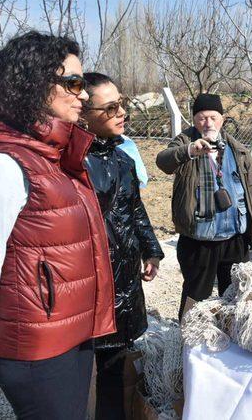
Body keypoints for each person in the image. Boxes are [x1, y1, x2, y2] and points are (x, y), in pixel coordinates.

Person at [0, 31, 116, 419]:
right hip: (38, 345)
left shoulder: (52, 155)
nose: (83, 95)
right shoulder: (5, 164)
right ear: (34, 83)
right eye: (73, 83)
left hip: (70, 333)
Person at [82, 72, 165, 419]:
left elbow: (135, 210)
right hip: (89, 284)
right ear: (83, 114)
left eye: (123, 104)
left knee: (116, 363)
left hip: (125, 278)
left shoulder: (123, 159)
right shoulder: (71, 164)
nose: (121, 113)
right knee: (82, 368)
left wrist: (151, 250)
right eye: (111, 107)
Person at [156, 93, 252, 319]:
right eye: (202, 118)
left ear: (222, 118)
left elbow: (249, 186)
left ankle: (231, 342)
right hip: (199, 238)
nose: (208, 123)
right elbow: (163, 161)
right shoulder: (185, 142)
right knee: (196, 297)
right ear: (194, 120)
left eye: (213, 117)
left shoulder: (236, 148)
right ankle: (187, 342)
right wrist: (190, 150)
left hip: (235, 236)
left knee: (236, 296)